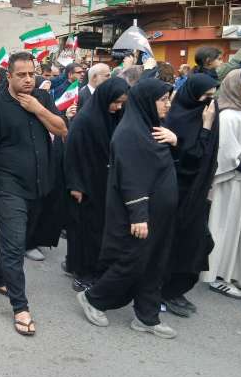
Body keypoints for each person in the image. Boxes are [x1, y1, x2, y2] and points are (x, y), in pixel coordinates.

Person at [77, 78, 179, 339]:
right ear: (147, 102)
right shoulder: (129, 134)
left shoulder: (153, 129)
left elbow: (165, 166)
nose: (168, 104)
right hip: (140, 215)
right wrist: (139, 215)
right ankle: (93, 298)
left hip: (160, 214)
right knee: (133, 262)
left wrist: (175, 141)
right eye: (163, 100)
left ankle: (147, 317)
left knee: (154, 264)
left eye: (168, 99)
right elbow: (131, 178)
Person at [0, 52, 67, 336]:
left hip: (39, 185)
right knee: (15, 245)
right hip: (7, 186)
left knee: (17, 238)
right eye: (22, 75)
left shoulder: (42, 98)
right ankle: (20, 307)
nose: (28, 79)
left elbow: (61, 129)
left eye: (31, 74)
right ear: (9, 76)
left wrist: (38, 109)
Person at [161, 74, 219, 316]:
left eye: (212, 97)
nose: (209, 103)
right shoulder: (178, 118)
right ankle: (165, 291)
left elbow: (209, 157)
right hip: (178, 193)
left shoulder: (207, 115)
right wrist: (205, 127)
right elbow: (192, 158)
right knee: (178, 245)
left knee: (199, 244)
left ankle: (175, 289)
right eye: (206, 97)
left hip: (196, 194)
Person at [202, 69, 241, 299]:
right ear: (236, 87)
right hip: (231, 182)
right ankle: (217, 277)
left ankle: (237, 274)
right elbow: (227, 156)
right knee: (225, 229)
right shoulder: (228, 115)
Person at [64, 78, 129, 291]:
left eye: (122, 103)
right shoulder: (85, 120)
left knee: (99, 230)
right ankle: (82, 273)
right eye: (115, 102)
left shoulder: (115, 117)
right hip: (85, 185)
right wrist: (75, 185)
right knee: (85, 231)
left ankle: (88, 266)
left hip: (105, 183)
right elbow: (72, 153)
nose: (118, 107)